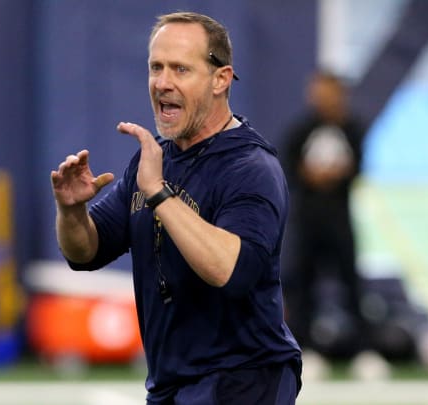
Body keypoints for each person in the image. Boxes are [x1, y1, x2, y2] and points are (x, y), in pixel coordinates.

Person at [51, 12, 301, 404]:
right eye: (156, 67)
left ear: (221, 79)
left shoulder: (251, 167)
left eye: (180, 69)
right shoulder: (154, 160)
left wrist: (159, 194)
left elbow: (231, 270)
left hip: (242, 379)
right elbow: (86, 252)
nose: (163, 83)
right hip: (173, 383)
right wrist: (71, 212)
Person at [281, 71, 367, 359]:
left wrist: (335, 175)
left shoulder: (352, 129)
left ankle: (363, 350)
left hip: (340, 220)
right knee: (303, 286)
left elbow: (357, 168)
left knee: (350, 285)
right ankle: (303, 348)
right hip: (308, 220)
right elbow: (289, 167)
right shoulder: (302, 130)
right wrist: (310, 175)